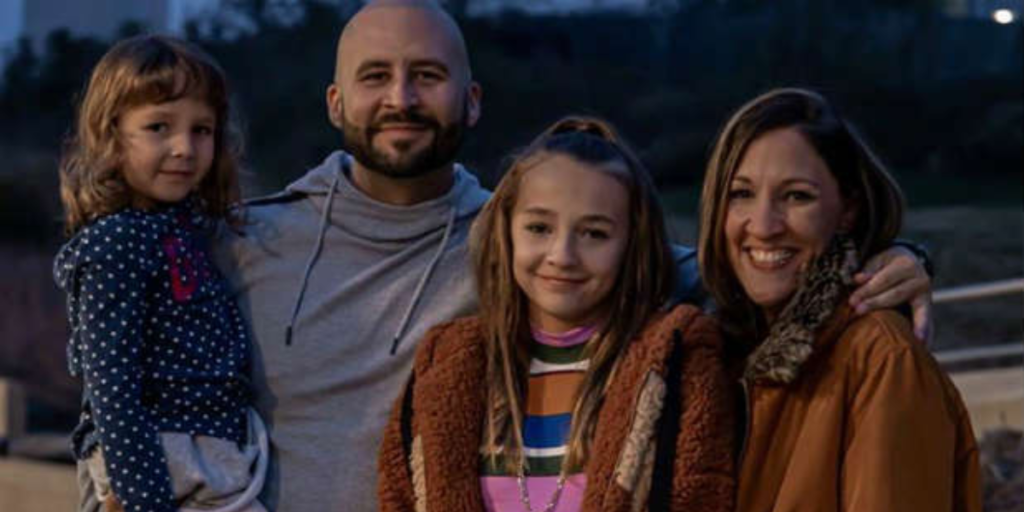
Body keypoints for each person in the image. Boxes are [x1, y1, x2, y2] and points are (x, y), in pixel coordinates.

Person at [213, 2, 933, 510]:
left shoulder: (521, 235)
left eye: (427, 75)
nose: (401, 98)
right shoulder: (249, 242)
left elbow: (753, 264)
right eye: (375, 77)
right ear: (336, 101)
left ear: (471, 100)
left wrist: (891, 255)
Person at [378, 116, 735, 512]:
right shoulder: (446, 364)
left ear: (632, 245)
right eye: (539, 228)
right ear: (507, 231)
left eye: (595, 234)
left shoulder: (676, 361)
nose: (562, 256)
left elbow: (702, 497)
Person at [697, 87, 981, 511]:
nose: (764, 225)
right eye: (741, 194)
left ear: (847, 208)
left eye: (797, 196)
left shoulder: (882, 357)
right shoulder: (714, 352)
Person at [54, 35, 268, 512]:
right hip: (158, 455)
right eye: (158, 127)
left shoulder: (187, 232)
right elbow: (111, 380)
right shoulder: (116, 243)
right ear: (111, 135)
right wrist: (144, 497)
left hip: (209, 452)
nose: (183, 148)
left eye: (202, 130)